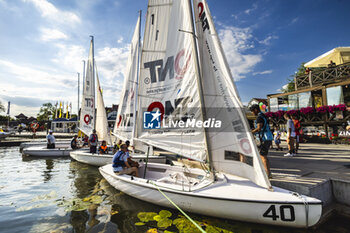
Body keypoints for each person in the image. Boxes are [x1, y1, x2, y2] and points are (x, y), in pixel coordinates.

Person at [250, 104, 273, 178]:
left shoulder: (259, 117)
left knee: (263, 156)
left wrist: (251, 132)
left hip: (264, 138)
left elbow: (259, 128)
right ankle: (267, 172)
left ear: (256, 110)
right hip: (268, 137)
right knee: (263, 155)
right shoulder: (263, 116)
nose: (252, 113)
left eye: (252, 111)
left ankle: (268, 173)